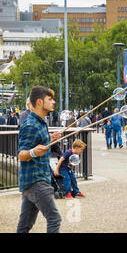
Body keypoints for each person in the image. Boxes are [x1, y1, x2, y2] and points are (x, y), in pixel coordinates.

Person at [16, 86, 62, 233]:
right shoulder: (30, 125)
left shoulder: (41, 122)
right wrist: (34, 152)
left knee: (25, 226)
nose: (53, 102)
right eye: (50, 99)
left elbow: (39, 144)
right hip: (36, 181)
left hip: (33, 180)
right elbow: (21, 154)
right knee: (54, 218)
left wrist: (50, 139)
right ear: (40, 102)